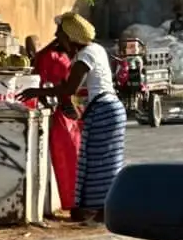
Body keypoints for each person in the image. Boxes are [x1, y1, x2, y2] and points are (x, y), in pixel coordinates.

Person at [18, 12, 125, 222]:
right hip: (109, 109)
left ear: (70, 37)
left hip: (103, 111)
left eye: (60, 34)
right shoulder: (96, 49)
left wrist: (36, 92)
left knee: (97, 164)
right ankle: (102, 208)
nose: (57, 38)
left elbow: (69, 89)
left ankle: (99, 209)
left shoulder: (85, 56)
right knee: (103, 163)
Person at [29, 20, 83, 212]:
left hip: (64, 113)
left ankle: (73, 202)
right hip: (65, 113)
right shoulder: (56, 56)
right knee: (71, 160)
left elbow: (57, 87)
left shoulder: (52, 56)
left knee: (69, 160)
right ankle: (73, 202)